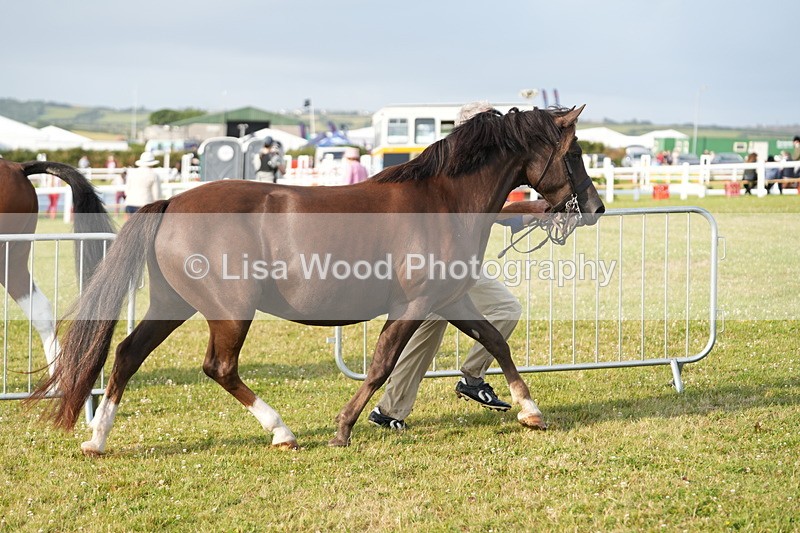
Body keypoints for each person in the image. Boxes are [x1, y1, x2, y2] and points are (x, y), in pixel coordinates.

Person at [369, 101, 544, 430]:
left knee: (433, 333)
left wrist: (528, 214)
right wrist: (525, 210)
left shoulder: (473, 165)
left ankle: (398, 407)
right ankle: (405, 404)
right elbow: (473, 213)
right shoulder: (451, 165)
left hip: (452, 266)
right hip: (440, 266)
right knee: (435, 331)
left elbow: (487, 211)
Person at [124, 152, 162, 216]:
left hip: (130, 204)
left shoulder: (132, 173)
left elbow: (126, 191)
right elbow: (157, 195)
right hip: (145, 205)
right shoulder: (154, 175)